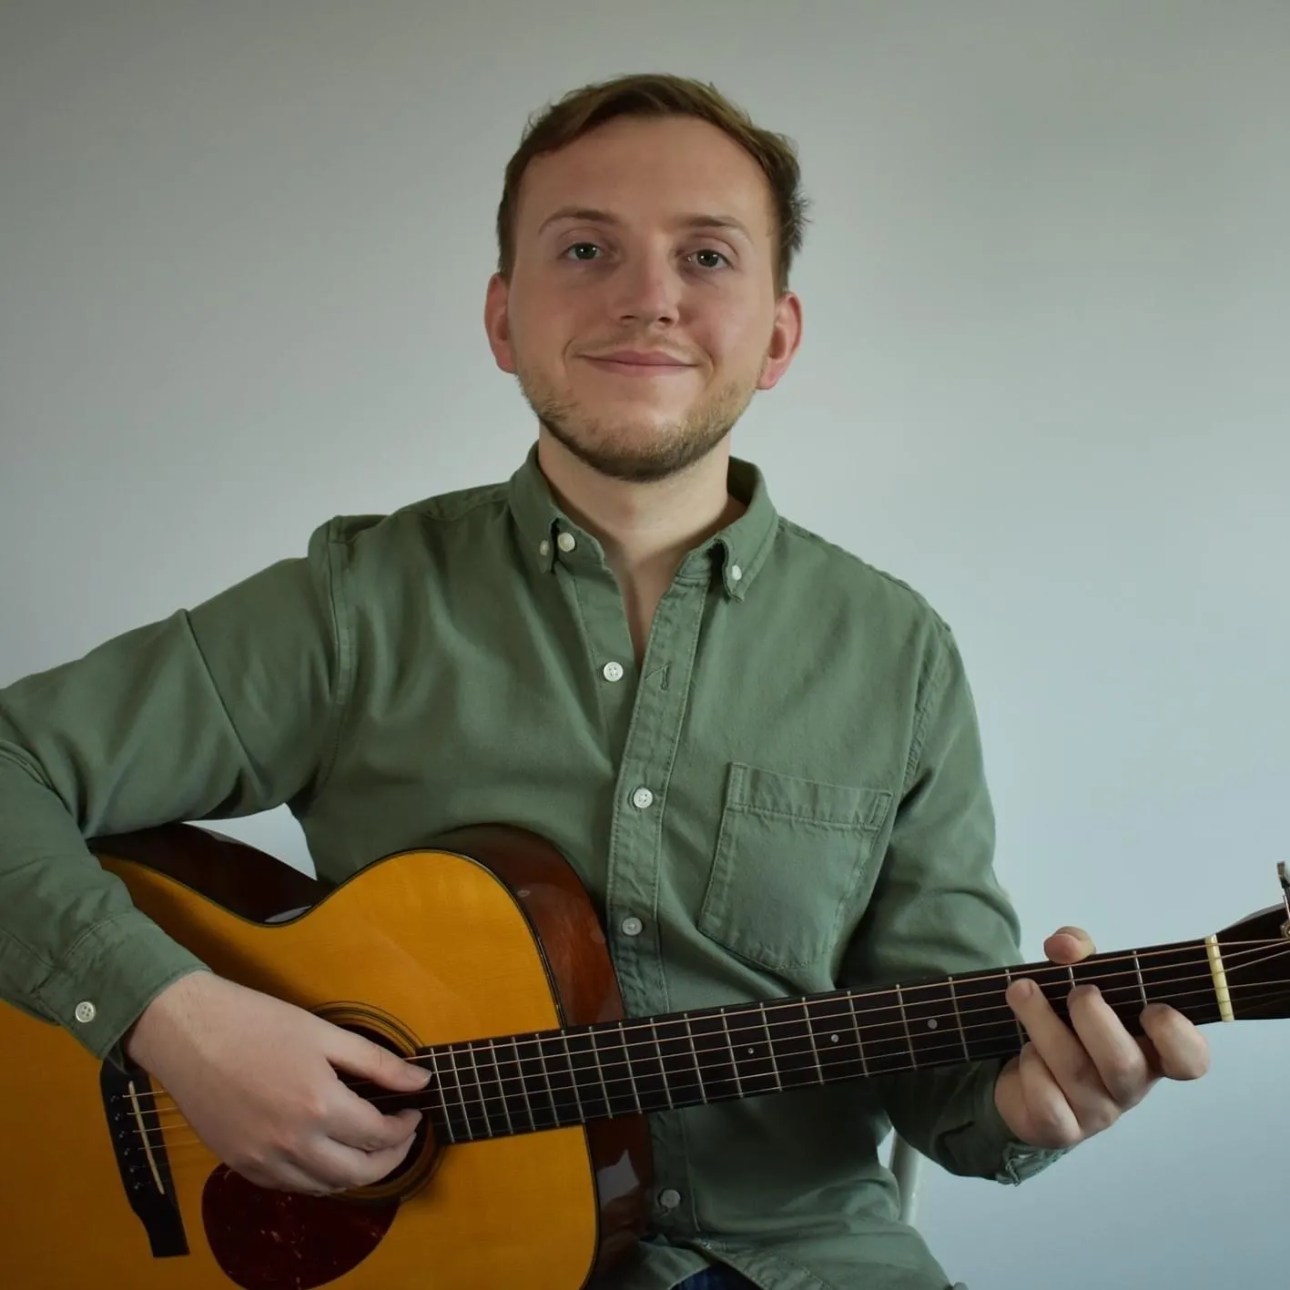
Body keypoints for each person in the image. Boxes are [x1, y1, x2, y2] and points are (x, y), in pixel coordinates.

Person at [0, 73, 1209, 1290]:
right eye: (586, 249)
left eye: (707, 257)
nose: (647, 298)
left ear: (778, 336)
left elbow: (951, 1086)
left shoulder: (899, 656)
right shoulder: (353, 603)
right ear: (503, 319)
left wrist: (1029, 1104)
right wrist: (172, 1018)